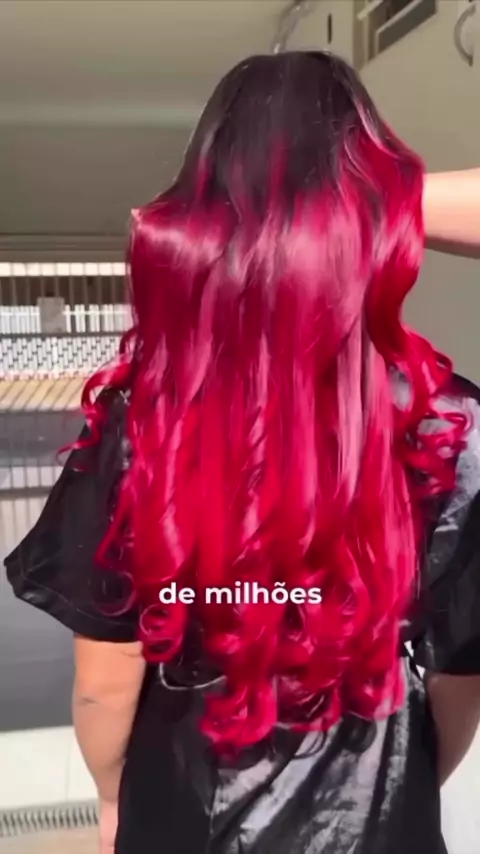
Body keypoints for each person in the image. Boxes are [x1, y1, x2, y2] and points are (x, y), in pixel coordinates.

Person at [4, 51, 480, 854]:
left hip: (185, 814)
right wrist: (401, 797)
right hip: (372, 818)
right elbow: (460, 676)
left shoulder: (148, 419)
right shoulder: (448, 423)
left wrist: (115, 797)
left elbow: (106, 683)